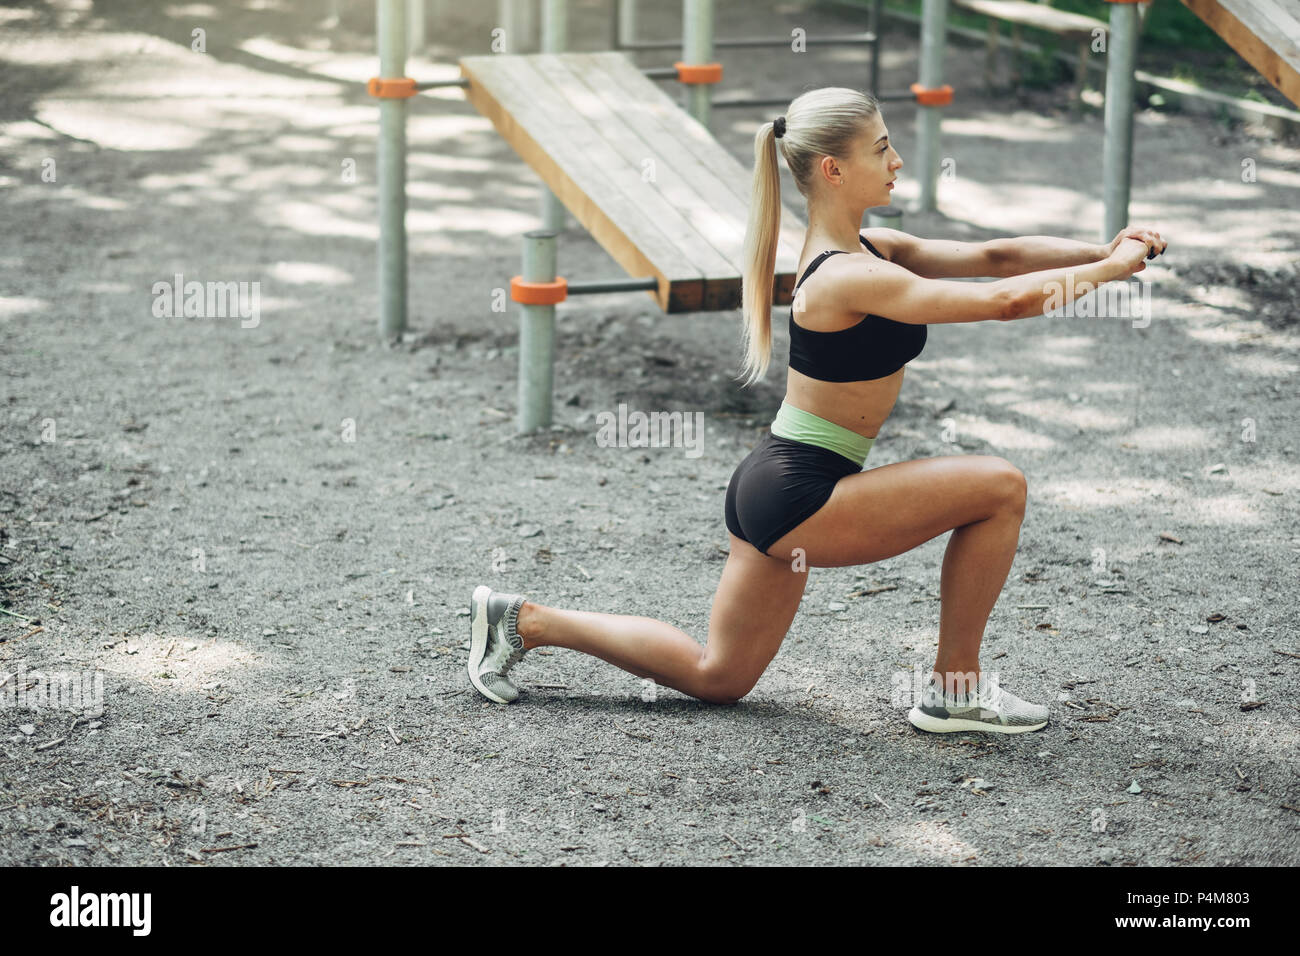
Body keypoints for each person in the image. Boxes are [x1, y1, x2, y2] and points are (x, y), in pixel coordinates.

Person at [467, 86, 1165, 733]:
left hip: (773, 484)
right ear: (832, 169)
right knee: (999, 486)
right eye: (882, 148)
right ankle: (957, 690)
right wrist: (1108, 274)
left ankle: (523, 620)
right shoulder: (849, 275)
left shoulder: (869, 249)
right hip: (804, 491)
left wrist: (1102, 248)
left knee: (720, 677)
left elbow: (998, 256)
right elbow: (1004, 303)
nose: (897, 160)